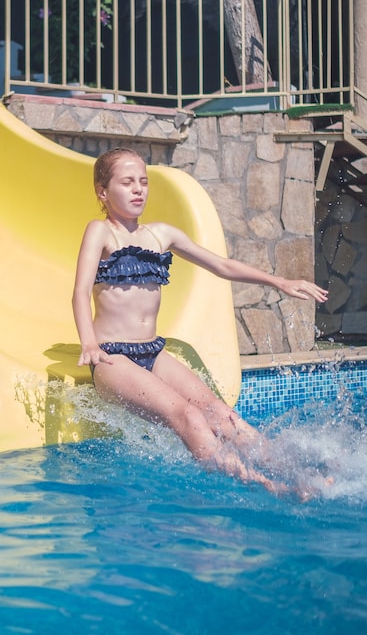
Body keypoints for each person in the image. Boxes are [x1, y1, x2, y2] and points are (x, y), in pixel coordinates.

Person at [72, 147, 329, 496]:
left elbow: (221, 265)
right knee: (189, 416)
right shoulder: (101, 232)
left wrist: (279, 282)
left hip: (153, 353)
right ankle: (269, 486)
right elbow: (80, 291)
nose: (138, 189)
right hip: (112, 358)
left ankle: (299, 475)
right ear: (103, 192)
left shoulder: (161, 234)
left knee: (221, 413)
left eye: (143, 182)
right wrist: (89, 343)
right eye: (127, 182)